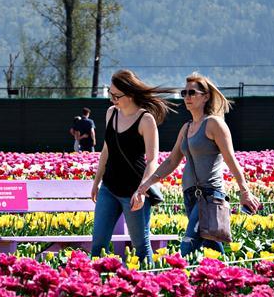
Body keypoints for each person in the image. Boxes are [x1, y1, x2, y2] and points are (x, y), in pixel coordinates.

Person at [136, 73, 261, 258]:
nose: (187, 97)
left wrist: (244, 191)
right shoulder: (186, 128)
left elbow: (230, 159)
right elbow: (172, 161)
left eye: (192, 93)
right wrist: (147, 183)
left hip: (209, 195)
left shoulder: (214, 124)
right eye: (184, 93)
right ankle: (230, 282)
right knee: (212, 247)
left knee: (188, 246)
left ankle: (176, 281)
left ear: (205, 96)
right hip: (190, 195)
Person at [90, 71, 175, 266]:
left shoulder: (145, 120)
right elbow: (106, 150)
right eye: (111, 94)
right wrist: (96, 182)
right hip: (108, 187)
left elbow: (152, 159)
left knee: (140, 246)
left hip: (134, 191)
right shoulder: (111, 113)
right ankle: (92, 288)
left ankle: (150, 286)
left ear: (129, 94)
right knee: (98, 244)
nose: (113, 99)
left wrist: (142, 189)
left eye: (116, 95)